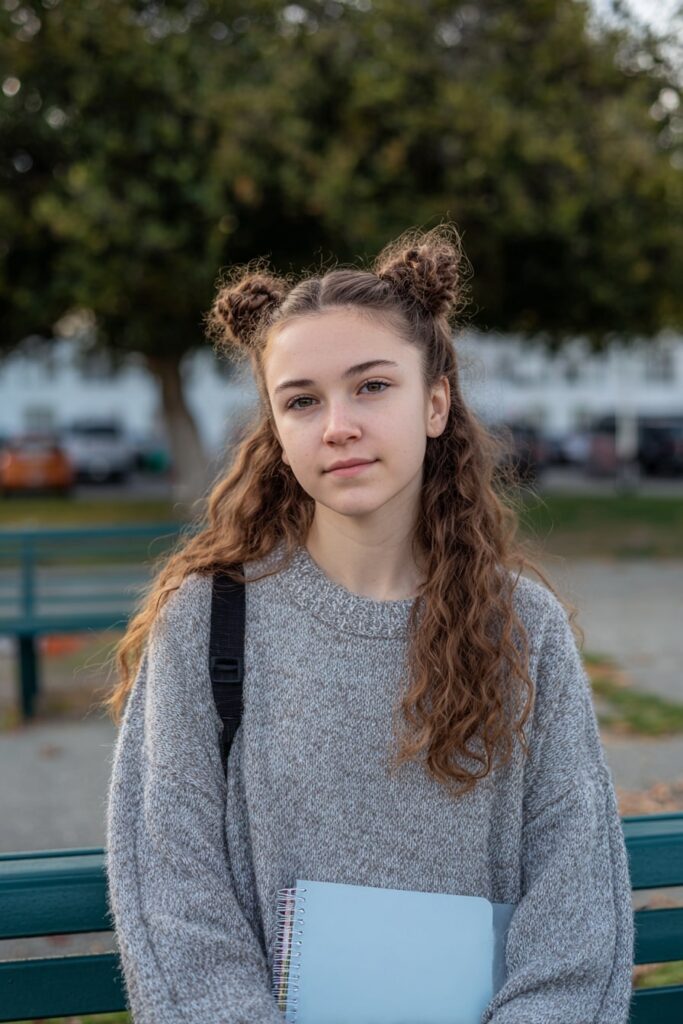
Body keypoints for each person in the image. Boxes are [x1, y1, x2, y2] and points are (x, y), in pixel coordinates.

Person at [103, 224, 634, 1024]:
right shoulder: (208, 622)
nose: (337, 425)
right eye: (302, 401)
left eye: (371, 386)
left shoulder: (524, 627)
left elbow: (576, 905)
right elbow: (174, 897)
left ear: (434, 402)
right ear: (278, 433)